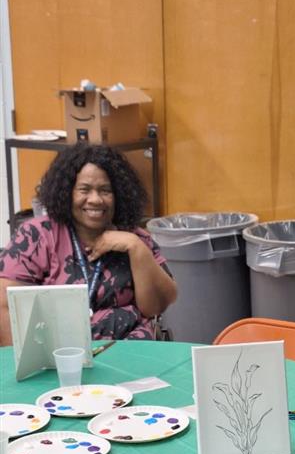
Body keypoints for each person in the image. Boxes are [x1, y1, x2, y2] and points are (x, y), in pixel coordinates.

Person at [0, 144, 177, 343]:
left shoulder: (135, 237)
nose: (95, 199)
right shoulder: (37, 235)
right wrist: (17, 366)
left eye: (105, 191)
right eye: (84, 189)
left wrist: (136, 248)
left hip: (131, 350)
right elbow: (6, 307)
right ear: (67, 192)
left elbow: (154, 307)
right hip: (60, 356)